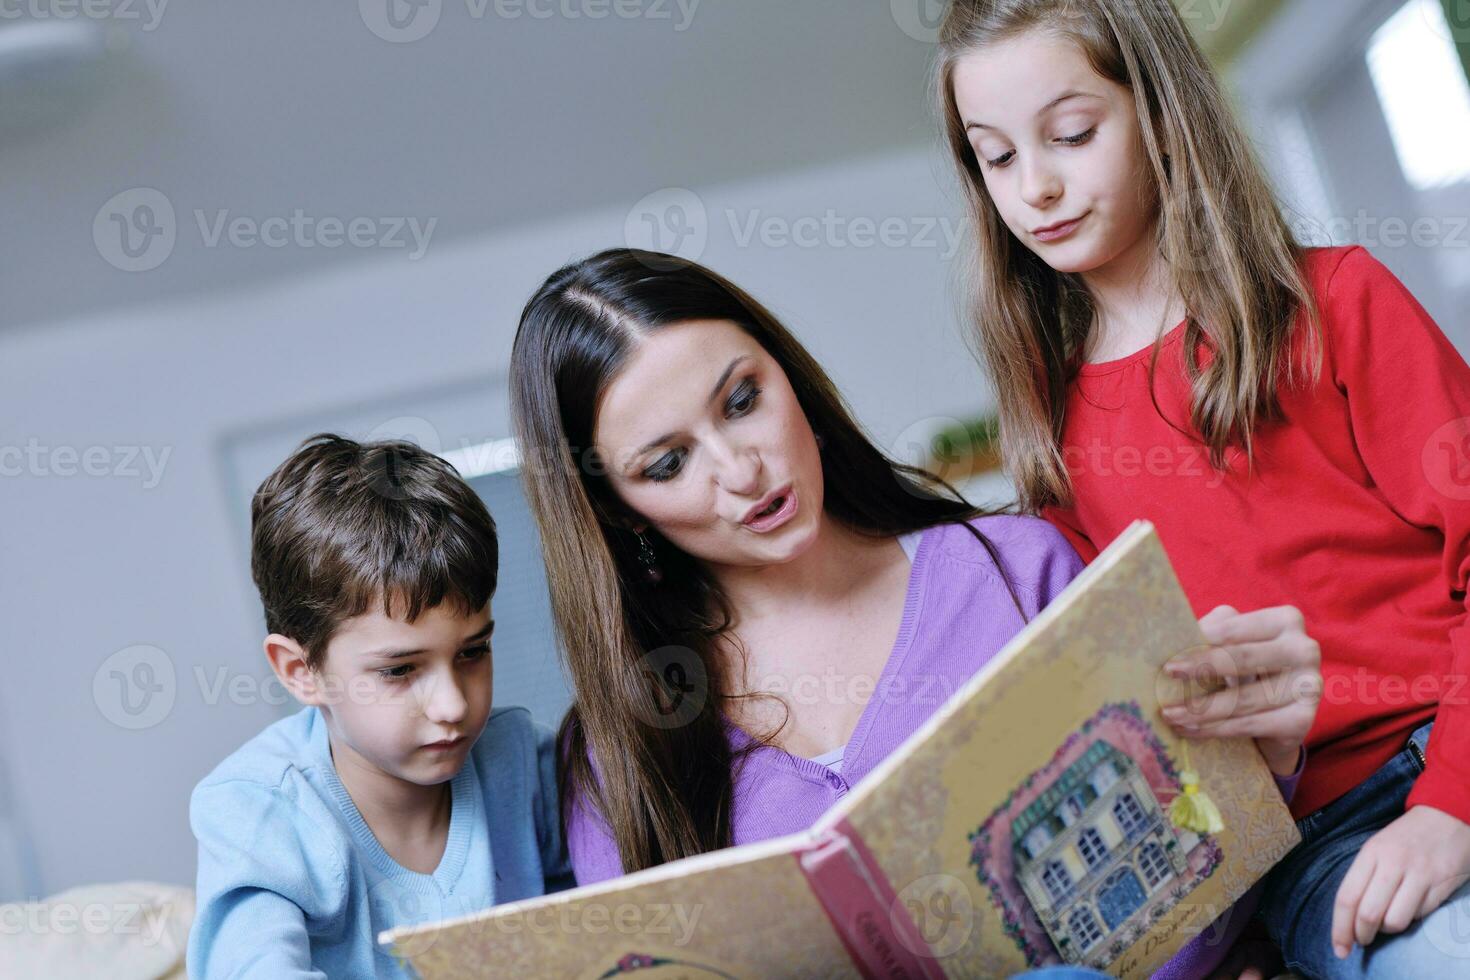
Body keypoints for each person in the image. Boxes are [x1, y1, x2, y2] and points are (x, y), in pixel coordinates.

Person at [509, 247, 1318, 974]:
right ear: (618, 509)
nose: (741, 468)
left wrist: (1262, 766)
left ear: (787, 373)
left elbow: (1194, 901)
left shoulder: (1012, 570)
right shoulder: (619, 749)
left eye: (743, 400)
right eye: (670, 462)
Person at [935, 1, 1470, 976]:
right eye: (995, 157)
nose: (1036, 186)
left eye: (1070, 134)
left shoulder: (1338, 304)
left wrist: (1450, 804)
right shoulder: (1051, 429)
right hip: (1314, 837)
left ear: (1163, 115)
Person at [187, 434, 570, 978]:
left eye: (473, 652)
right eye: (399, 670)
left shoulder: (524, 763)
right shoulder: (260, 808)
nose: (452, 704)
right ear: (302, 672)